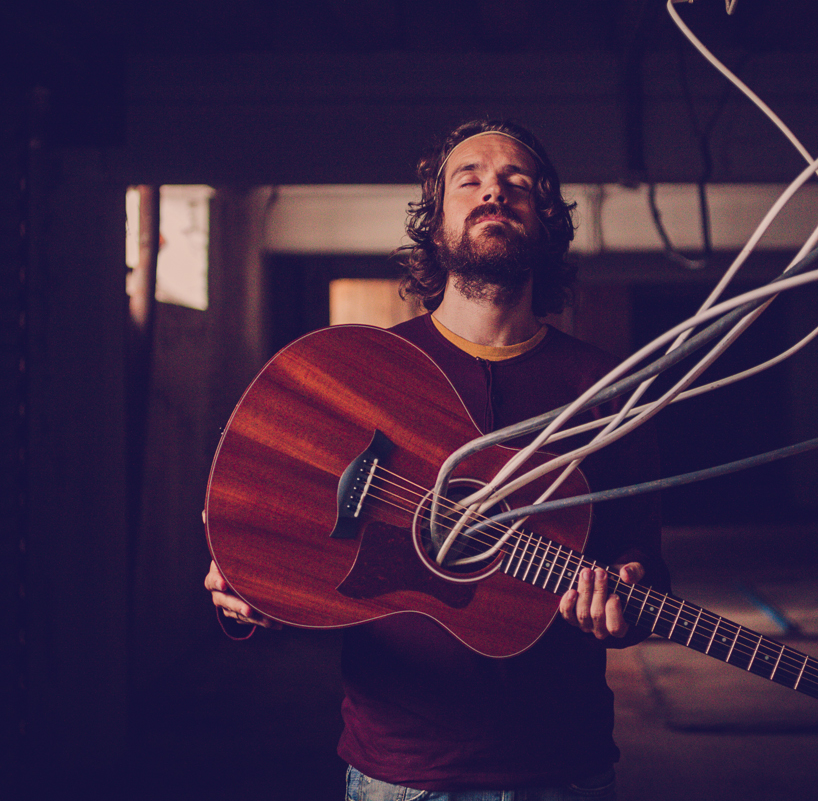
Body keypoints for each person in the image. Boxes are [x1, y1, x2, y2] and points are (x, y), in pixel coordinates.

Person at [205, 119, 667, 800]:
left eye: (517, 182)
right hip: (403, 771)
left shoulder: (604, 391)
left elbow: (647, 570)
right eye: (469, 179)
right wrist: (252, 588)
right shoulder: (364, 370)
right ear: (436, 219)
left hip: (563, 765)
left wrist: (625, 606)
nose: (494, 193)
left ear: (547, 218)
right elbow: (276, 524)